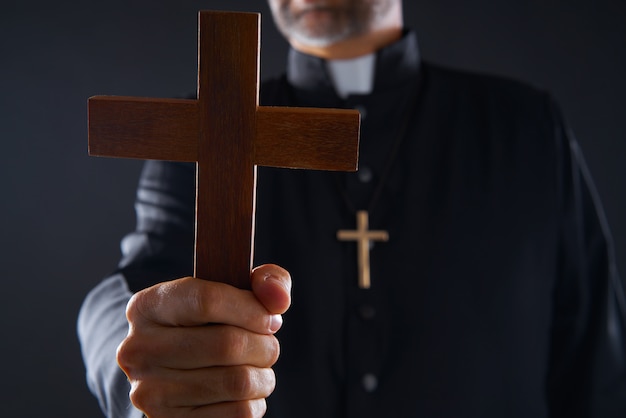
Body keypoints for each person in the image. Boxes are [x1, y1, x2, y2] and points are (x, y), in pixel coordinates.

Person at [78, 0, 626, 417]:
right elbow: (129, 294)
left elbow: (597, 362)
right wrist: (141, 362)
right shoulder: (207, 126)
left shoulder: (525, 127)